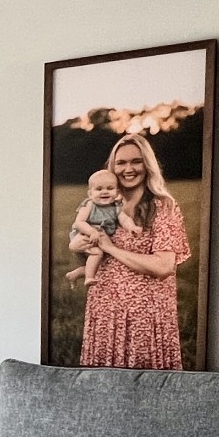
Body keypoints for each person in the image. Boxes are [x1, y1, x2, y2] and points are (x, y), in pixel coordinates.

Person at [75, 133, 189, 369]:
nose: (129, 168)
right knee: (105, 393)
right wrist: (78, 246)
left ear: (147, 164)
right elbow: (84, 250)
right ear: (112, 167)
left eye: (136, 161)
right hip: (105, 312)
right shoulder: (101, 204)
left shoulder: (163, 206)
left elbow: (163, 266)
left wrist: (110, 248)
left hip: (145, 316)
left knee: (147, 392)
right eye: (121, 162)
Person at [62, 169, 127, 286]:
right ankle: (89, 278)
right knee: (97, 254)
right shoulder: (89, 204)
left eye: (110, 188)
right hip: (85, 237)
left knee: (98, 263)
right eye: (99, 189)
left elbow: (123, 218)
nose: (104, 192)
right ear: (90, 194)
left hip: (100, 238)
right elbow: (79, 222)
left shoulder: (116, 206)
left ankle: (74, 274)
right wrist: (92, 232)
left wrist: (131, 226)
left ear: (117, 192)